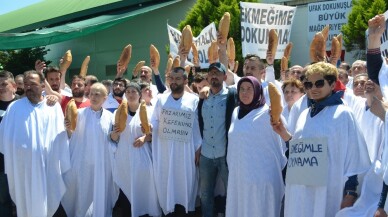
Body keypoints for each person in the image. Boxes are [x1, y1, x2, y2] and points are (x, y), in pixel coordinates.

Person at [272, 62, 370, 217]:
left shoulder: (343, 114)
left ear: (332, 84)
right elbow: (299, 151)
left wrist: (350, 192)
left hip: (327, 192)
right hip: (300, 190)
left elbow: (354, 157)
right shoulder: (304, 114)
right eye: (309, 84)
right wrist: (284, 135)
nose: (313, 88)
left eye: (319, 83)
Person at [0, 70, 70, 217]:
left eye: (33, 84)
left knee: (47, 202)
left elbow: (60, 137)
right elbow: (4, 137)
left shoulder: (53, 107)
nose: (29, 87)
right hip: (23, 168)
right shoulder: (14, 108)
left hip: (47, 166)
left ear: (42, 85)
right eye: (26, 84)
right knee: (26, 204)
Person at [226, 76, 286, 217]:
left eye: (249, 89)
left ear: (258, 91)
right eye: (242, 89)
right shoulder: (236, 112)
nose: (245, 93)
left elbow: (281, 142)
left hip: (261, 179)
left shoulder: (269, 114)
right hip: (239, 177)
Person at [62, 82, 119, 217]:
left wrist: (115, 134)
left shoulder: (110, 117)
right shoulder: (78, 114)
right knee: (82, 196)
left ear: (105, 98)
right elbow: (71, 137)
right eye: (91, 93)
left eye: (97, 94)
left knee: (100, 195)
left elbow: (113, 140)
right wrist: (68, 129)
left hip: (102, 165)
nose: (93, 97)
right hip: (82, 164)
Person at [151, 67, 202, 216]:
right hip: (165, 150)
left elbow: (196, 125)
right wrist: (148, 127)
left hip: (186, 150)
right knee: (167, 183)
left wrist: (198, 146)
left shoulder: (194, 99)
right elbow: (154, 120)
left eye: (178, 78)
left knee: (185, 183)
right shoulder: (161, 99)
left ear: (185, 80)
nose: (174, 82)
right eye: (171, 79)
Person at [111, 82, 160, 217]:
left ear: (140, 94)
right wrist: (115, 132)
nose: (130, 94)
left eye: (134, 92)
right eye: (128, 92)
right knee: (126, 194)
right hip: (124, 158)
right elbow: (113, 138)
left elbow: (155, 136)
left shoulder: (149, 112)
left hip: (142, 158)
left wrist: (145, 138)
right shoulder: (118, 112)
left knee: (144, 191)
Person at [197, 62, 237, 217]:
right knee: (205, 195)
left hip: (225, 154)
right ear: (208, 77)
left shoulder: (232, 95)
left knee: (231, 192)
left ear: (224, 76)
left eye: (217, 73)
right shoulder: (202, 97)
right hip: (206, 155)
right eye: (211, 73)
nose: (214, 76)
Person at [0, 71, 20, 217]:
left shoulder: (23, 104)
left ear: (13, 85)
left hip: (20, 162)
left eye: (4, 84)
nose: (0, 87)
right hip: (1, 164)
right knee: (3, 201)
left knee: (22, 200)